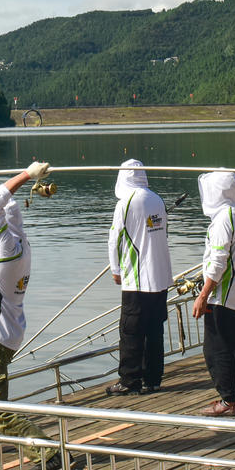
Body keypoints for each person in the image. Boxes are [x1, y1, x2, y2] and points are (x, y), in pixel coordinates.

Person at [0, 161, 85, 470]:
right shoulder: (13, 240)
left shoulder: (7, 247)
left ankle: (49, 455)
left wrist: (26, 175)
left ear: (2, 225)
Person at [190, 170, 235, 417]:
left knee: (216, 349)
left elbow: (218, 261)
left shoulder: (222, 220)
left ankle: (228, 400)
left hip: (223, 296)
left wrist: (203, 295)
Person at [105, 159, 173, 396]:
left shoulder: (125, 203)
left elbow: (115, 238)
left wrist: (116, 269)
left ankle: (129, 380)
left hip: (137, 278)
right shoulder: (157, 199)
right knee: (154, 330)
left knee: (131, 331)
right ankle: (153, 379)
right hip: (160, 276)